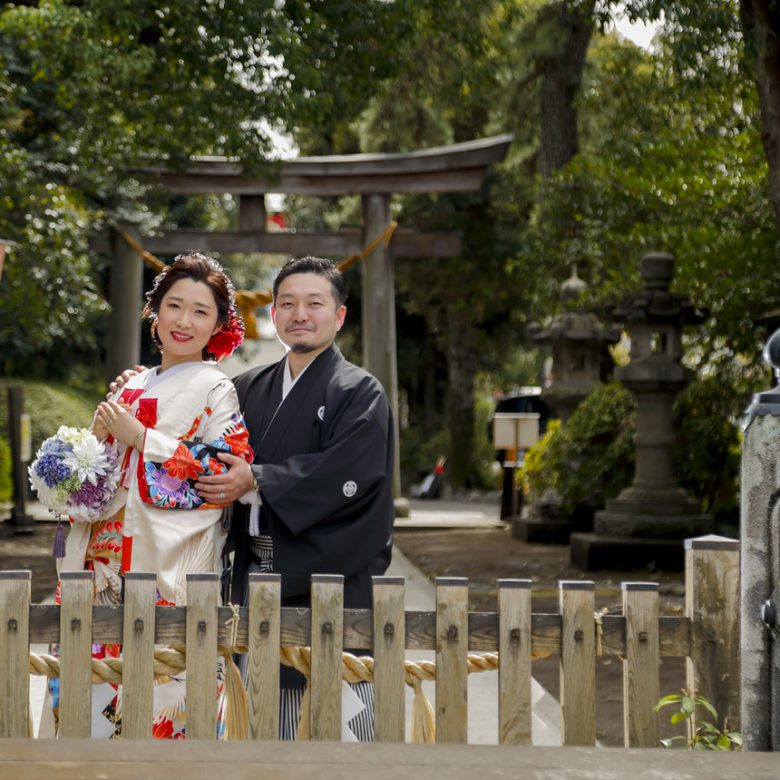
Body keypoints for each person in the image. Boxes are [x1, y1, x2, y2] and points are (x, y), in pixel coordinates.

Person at [53, 251, 254, 739]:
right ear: (155, 311)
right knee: (91, 707)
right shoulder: (134, 382)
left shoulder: (216, 388)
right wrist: (97, 443)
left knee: (164, 703)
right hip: (100, 566)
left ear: (217, 326)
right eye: (174, 305)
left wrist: (143, 439)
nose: (183, 321)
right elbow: (100, 478)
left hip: (167, 568)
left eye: (200, 311)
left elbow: (220, 472)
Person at [194, 255, 395, 740]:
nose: (299, 314)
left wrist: (257, 479)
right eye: (287, 303)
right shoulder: (246, 387)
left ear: (339, 315)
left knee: (335, 732)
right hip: (256, 577)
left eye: (314, 303)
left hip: (330, 580)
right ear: (274, 314)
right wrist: (139, 395)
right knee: (261, 727)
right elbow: (195, 439)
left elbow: (345, 473)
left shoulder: (359, 391)